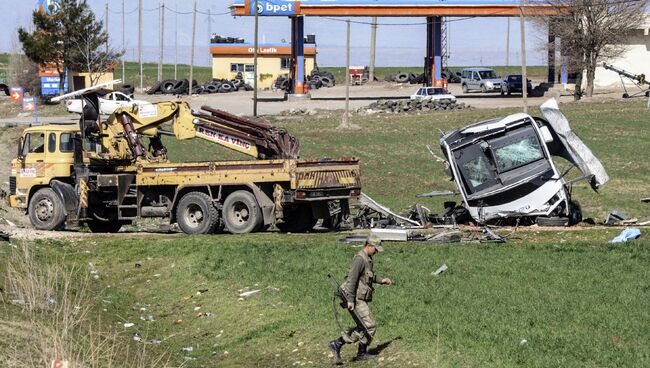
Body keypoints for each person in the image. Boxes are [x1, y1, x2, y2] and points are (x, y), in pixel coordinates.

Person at [329, 234, 392, 364]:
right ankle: (342, 345)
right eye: (376, 249)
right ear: (369, 246)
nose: (376, 252)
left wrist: (382, 280)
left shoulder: (367, 259)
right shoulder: (359, 259)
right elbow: (352, 280)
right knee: (369, 325)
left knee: (364, 326)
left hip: (358, 297)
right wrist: (350, 300)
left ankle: (353, 350)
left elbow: (369, 276)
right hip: (355, 298)